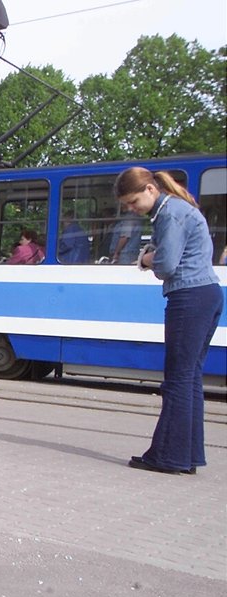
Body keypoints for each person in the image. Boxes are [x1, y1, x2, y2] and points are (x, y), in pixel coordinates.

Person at [115, 166, 223, 475]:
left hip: (188, 297)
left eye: (134, 202)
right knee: (189, 378)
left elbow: (166, 264)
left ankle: (167, 456)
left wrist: (146, 259)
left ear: (150, 189)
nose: (132, 209)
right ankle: (187, 456)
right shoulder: (178, 208)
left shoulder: (169, 213)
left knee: (177, 379)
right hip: (207, 295)